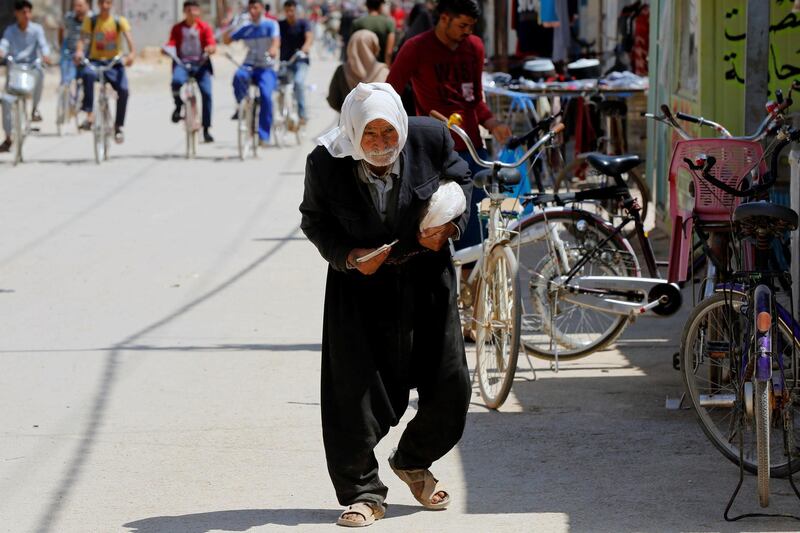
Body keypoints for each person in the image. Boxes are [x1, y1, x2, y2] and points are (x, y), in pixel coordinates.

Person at [300, 82, 472, 527]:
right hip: (359, 286)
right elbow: (314, 220)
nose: (380, 146)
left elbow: (464, 181)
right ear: (353, 133)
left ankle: (413, 461)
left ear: (400, 127)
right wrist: (349, 257)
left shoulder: (431, 139)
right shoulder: (325, 163)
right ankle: (363, 493)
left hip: (426, 278)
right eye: (369, 135)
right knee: (351, 393)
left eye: (388, 134)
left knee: (450, 382)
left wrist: (449, 228)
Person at [387, 0, 511, 250]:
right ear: (444, 18)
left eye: (471, 26)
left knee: (479, 225)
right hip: (434, 153)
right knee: (436, 226)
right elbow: (390, 94)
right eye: (462, 25)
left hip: (472, 148)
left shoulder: (474, 47)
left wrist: (493, 122)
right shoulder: (416, 48)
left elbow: (475, 100)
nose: (468, 32)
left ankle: (471, 285)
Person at [74, 0, 136, 144]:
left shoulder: (119, 21)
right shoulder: (92, 20)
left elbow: (129, 39)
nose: (104, 6)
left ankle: (118, 126)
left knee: (124, 90)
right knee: (87, 74)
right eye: (102, 3)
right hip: (96, 60)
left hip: (114, 62)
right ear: (98, 4)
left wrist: (132, 54)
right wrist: (78, 51)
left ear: (111, 4)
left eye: (107, 3)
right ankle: (89, 113)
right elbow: (83, 39)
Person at [223, 0, 280, 145]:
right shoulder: (245, 27)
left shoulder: (271, 24)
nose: (252, 11)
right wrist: (233, 25)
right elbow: (226, 41)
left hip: (266, 66)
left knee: (266, 96)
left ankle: (263, 135)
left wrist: (273, 50)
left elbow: (276, 41)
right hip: (249, 65)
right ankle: (242, 105)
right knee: (238, 76)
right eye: (250, 8)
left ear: (261, 8)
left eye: (255, 7)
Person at [0, 0, 52, 152]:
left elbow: (43, 45)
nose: (27, 15)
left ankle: (35, 109)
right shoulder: (10, 31)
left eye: (29, 12)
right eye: (23, 12)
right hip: (14, 68)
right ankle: (8, 137)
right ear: (16, 14)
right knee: (6, 101)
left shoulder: (37, 29)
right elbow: (4, 43)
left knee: (41, 74)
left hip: (32, 67)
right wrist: (1, 51)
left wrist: (46, 55)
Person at [165, 0, 217, 143]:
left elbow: (211, 43)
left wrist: (210, 49)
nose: (191, 13)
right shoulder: (177, 28)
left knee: (207, 93)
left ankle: (206, 129)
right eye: (188, 10)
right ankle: (178, 105)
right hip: (183, 63)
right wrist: (167, 49)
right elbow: (172, 43)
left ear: (198, 12)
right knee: (176, 82)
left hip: (201, 65)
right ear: (184, 12)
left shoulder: (204, 27)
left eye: (194, 10)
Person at [326, 29, 388, 112]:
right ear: (374, 46)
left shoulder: (342, 70)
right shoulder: (384, 71)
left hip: (348, 123)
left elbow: (333, 100)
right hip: (378, 122)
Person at [278, 0, 312, 124]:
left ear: (296, 10)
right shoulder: (280, 25)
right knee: (278, 86)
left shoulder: (303, 24)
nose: (290, 13)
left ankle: (302, 115)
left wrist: (305, 48)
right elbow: (275, 39)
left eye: (292, 10)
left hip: (300, 60)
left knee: (298, 82)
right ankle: (281, 112)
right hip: (285, 62)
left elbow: (309, 38)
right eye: (287, 11)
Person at [350, 0, 395, 66]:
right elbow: (389, 52)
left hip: (362, 65)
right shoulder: (388, 23)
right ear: (381, 6)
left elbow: (353, 46)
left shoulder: (357, 23)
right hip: (380, 66)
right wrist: (387, 68)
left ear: (367, 6)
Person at [58, 0, 92, 87]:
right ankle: (65, 90)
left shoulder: (92, 18)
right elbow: (61, 29)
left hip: (86, 53)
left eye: (80, 6)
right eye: (75, 6)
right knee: (66, 77)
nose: (77, 8)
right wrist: (61, 45)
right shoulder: (69, 17)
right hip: (69, 51)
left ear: (87, 6)